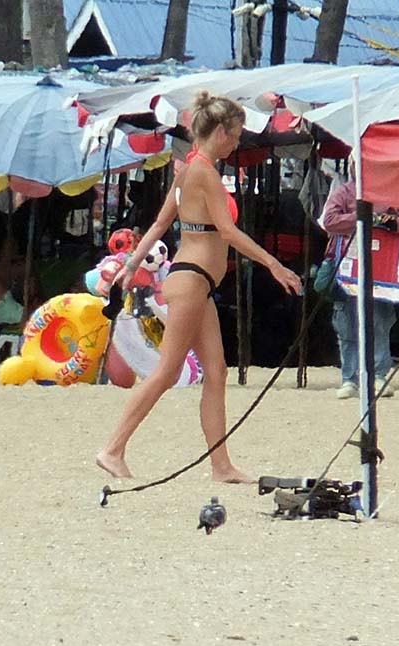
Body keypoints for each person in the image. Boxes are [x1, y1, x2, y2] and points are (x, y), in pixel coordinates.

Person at [95, 91, 302, 483]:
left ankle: (221, 465)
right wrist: (274, 264)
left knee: (217, 372)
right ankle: (113, 448)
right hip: (190, 279)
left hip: (196, 281)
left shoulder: (188, 170)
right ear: (220, 131)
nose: (237, 143)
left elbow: (159, 225)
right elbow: (228, 231)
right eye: (235, 135)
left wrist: (131, 265)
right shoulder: (203, 172)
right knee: (167, 371)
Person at [321, 171, 399, 400]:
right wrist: (362, 217)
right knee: (346, 322)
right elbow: (329, 220)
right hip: (347, 263)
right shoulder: (344, 191)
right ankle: (350, 378)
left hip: (381, 265)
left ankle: (378, 376)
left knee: (379, 319)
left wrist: (390, 223)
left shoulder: (393, 190)